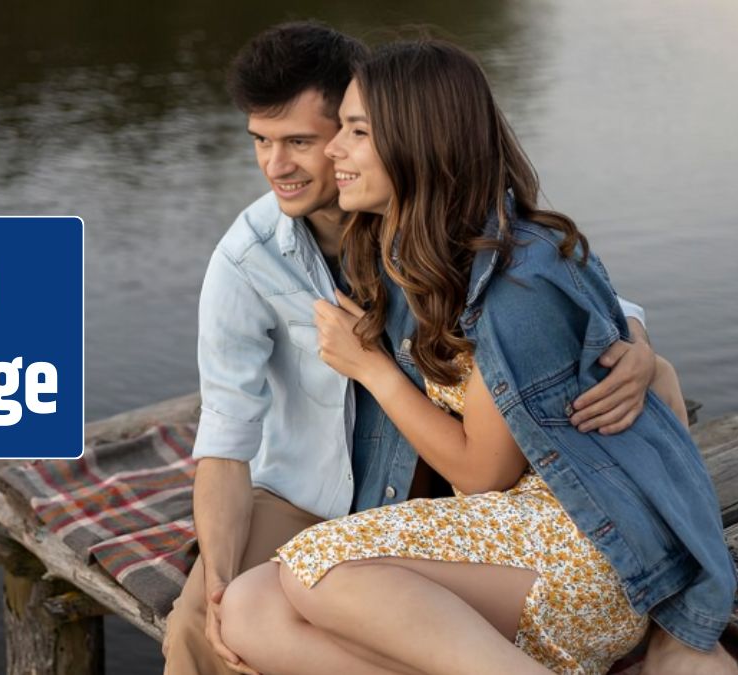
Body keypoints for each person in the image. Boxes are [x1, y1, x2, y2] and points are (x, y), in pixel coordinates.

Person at [164, 23, 686, 675]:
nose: (277, 166)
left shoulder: (436, 225)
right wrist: (214, 575)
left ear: (386, 133)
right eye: (261, 142)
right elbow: (225, 439)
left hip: (453, 490)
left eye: (304, 140)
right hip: (312, 492)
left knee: (309, 587)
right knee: (208, 621)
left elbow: (554, 297)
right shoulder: (250, 258)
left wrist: (635, 341)